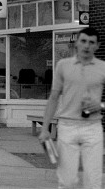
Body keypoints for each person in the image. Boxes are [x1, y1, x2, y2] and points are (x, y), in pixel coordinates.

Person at [38, 27, 105, 189]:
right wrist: (45, 128)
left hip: (93, 127)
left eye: (91, 42)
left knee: (94, 181)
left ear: (97, 46)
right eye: (83, 41)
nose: (87, 46)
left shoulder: (103, 67)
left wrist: (101, 105)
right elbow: (53, 97)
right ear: (76, 43)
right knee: (67, 182)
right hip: (67, 126)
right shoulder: (63, 65)